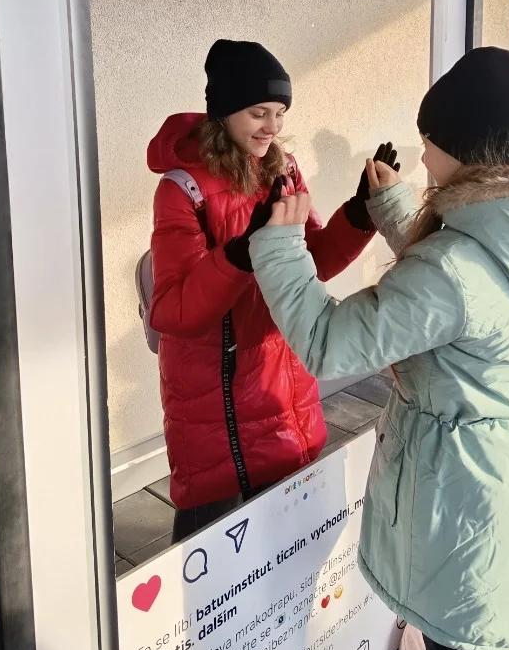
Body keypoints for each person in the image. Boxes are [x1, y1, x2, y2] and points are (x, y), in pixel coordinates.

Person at [249, 47, 509, 650]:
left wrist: (281, 245)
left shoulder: (451, 267)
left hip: (462, 498)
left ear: (456, 145)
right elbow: (464, 272)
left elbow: (331, 341)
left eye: (428, 141)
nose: (422, 155)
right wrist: (391, 205)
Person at [148, 39, 395, 542]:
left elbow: (313, 261)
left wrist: (359, 213)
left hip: (284, 388)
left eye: (280, 113)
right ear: (224, 112)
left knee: (289, 555)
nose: (272, 127)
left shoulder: (283, 169)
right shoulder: (182, 189)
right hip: (216, 412)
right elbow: (173, 312)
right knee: (212, 564)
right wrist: (242, 254)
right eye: (258, 113)